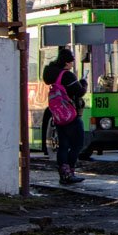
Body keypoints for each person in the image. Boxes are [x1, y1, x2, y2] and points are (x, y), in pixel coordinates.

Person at [41, 47, 86, 185]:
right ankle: (70, 172)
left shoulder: (52, 75)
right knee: (77, 144)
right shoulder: (67, 75)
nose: (72, 65)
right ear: (66, 63)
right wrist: (83, 83)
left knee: (63, 146)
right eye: (71, 62)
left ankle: (64, 174)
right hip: (71, 114)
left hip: (59, 116)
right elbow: (80, 92)